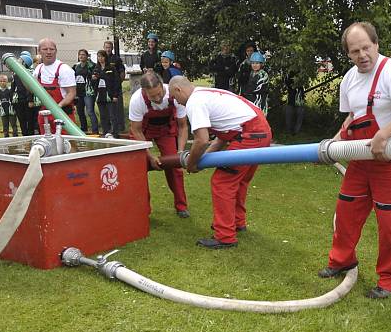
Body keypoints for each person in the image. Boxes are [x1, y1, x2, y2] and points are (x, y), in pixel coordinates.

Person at [317, 22, 391, 299]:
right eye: (355, 51)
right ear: (348, 54)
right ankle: (341, 261)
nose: (362, 55)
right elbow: (353, 117)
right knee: (346, 212)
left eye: (366, 47)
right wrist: (334, 143)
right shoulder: (349, 79)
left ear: (376, 44)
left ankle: (389, 279)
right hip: (360, 158)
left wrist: (384, 135)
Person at [168, 75, 272, 249]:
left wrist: (192, 164)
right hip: (261, 131)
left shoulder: (195, 102)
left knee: (222, 182)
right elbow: (221, 139)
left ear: (178, 90)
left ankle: (225, 235)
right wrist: (201, 161)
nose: (176, 102)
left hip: (250, 134)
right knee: (240, 181)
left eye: (174, 98)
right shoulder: (206, 93)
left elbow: (201, 140)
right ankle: (237, 222)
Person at [128, 71, 190, 218]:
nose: (157, 98)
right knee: (139, 168)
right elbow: (136, 131)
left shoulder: (175, 95)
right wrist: (150, 156)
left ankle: (181, 206)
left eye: (159, 94)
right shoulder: (137, 100)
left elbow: (183, 126)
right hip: (143, 131)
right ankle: (144, 210)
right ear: (144, 92)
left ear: (162, 86)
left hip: (165, 131)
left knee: (174, 166)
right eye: (152, 96)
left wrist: (180, 153)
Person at [33, 38, 77, 134]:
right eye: (45, 49)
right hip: (44, 115)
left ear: (56, 51)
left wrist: (57, 107)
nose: (49, 52)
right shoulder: (38, 69)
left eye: (51, 49)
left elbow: (71, 93)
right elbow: (32, 89)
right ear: (39, 51)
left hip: (63, 115)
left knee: (67, 146)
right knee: (46, 145)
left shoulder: (64, 69)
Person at [92, 50, 121, 136]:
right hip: (100, 94)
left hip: (109, 93)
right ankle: (106, 132)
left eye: (102, 56)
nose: (100, 58)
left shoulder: (111, 68)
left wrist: (115, 95)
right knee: (103, 115)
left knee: (112, 115)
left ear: (105, 57)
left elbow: (116, 81)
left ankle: (115, 133)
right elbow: (93, 84)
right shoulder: (96, 68)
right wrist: (93, 79)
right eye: (99, 57)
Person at [103, 40, 126, 133]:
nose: (108, 49)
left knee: (118, 107)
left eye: (109, 47)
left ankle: (121, 127)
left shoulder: (116, 59)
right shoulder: (102, 58)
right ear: (104, 48)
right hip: (105, 88)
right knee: (107, 108)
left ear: (112, 48)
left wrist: (118, 83)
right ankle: (108, 127)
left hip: (115, 87)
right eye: (106, 47)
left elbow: (122, 72)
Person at [74, 49, 99, 134]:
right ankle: (83, 128)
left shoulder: (92, 66)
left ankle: (95, 130)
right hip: (78, 92)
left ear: (87, 56)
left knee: (90, 111)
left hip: (88, 92)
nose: (81, 56)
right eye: (80, 55)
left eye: (83, 54)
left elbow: (95, 76)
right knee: (80, 111)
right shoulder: (76, 66)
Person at [11, 52, 36, 136]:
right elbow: (13, 88)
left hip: (26, 100)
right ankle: (24, 136)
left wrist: (30, 99)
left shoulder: (29, 73)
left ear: (24, 62)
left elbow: (31, 88)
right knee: (21, 120)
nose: (18, 61)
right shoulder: (15, 73)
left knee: (29, 120)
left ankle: (30, 136)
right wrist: (12, 100)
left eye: (20, 60)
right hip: (18, 101)